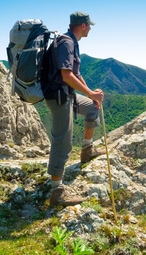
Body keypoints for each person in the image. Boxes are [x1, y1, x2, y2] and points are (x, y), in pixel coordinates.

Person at [42, 11, 106, 206]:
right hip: (59, 97)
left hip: (67, 94)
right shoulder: (67, 43)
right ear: (83, 25)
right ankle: (57, 192)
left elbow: (76, 73)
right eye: (89, 25)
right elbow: (66, 75)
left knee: (92, 109)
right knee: (63, 141)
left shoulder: (72, 41)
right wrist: (90, 94)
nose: (90, 29)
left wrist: (90, 94)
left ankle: (87, 150)